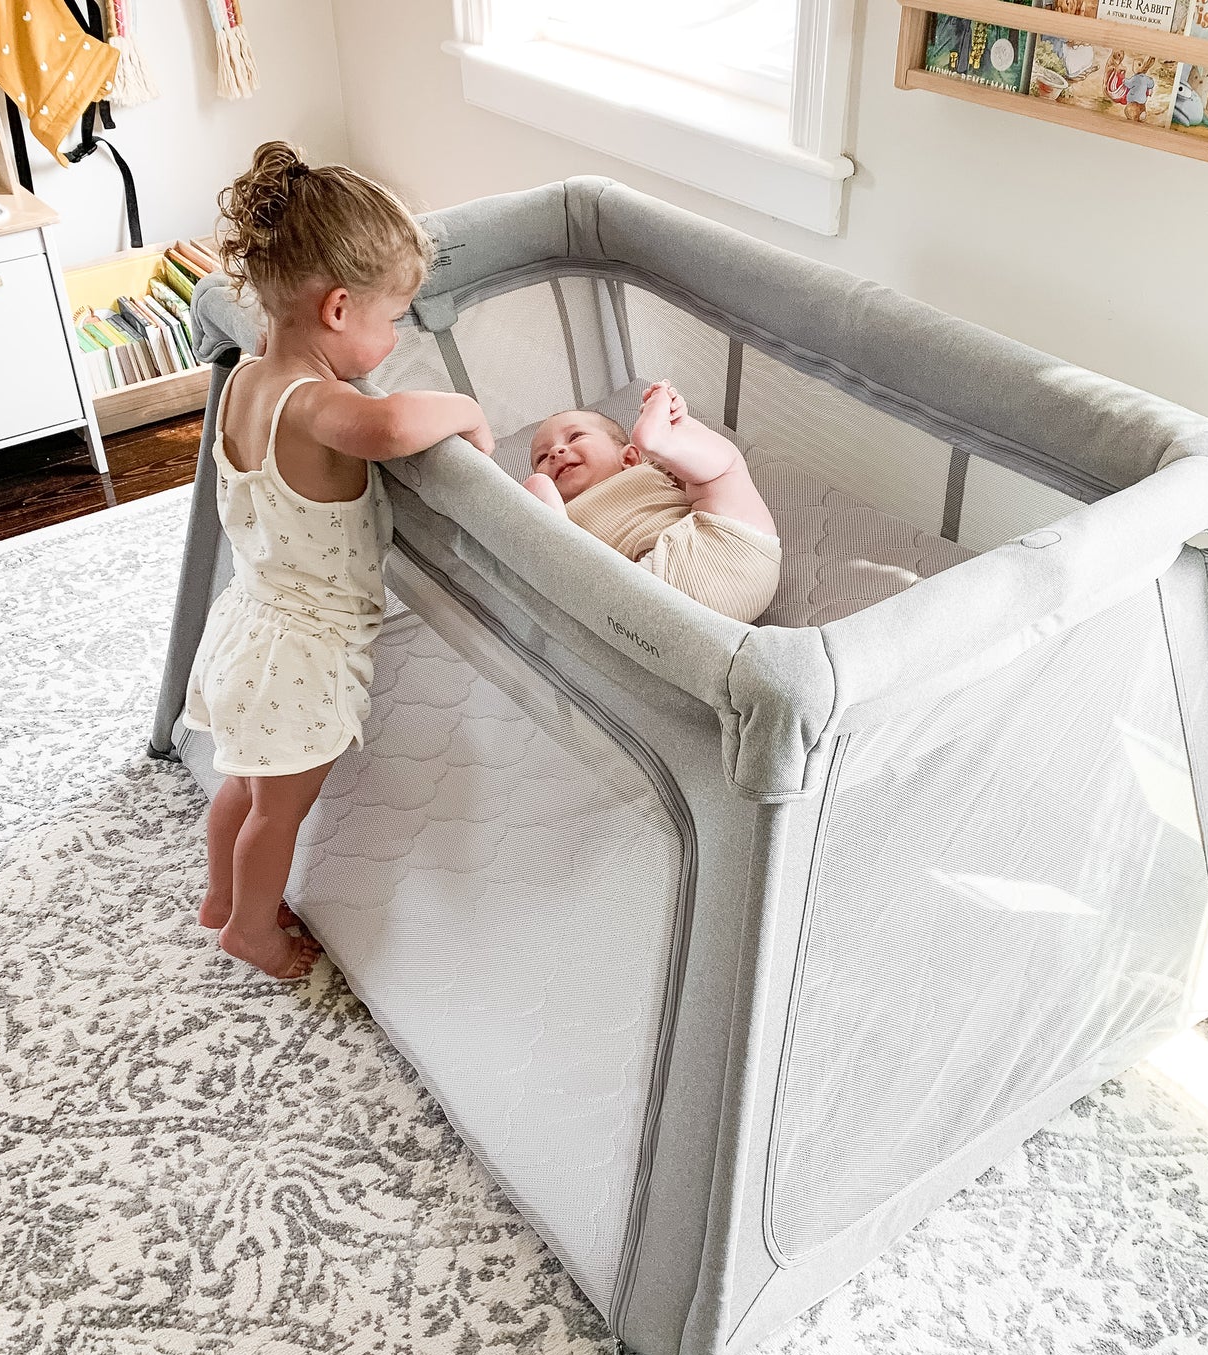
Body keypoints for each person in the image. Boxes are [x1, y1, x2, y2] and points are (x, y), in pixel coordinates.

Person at [184, 141, 494, 980]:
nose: (394, 338)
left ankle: (220, 895)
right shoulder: (321, 406)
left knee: (241, 789)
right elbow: (392, 426)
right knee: (277, 812)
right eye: (391, 319)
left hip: (248, 622)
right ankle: (249, 928)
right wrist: (465, 407)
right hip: (305, 653)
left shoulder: (249, 378)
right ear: (337, 309)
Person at [522, 381, 781, 624]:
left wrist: (678, 419)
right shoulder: (565, 513)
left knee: (719, 470)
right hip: (647, 591)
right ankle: (548, 529)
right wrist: (546, 507)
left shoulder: (650, 467)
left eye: (575, 437)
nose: (556, 452)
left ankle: (667, 437)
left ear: (630, 456)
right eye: (542, 458)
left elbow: (697, 473)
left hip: (725, 549)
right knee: (572, 566)